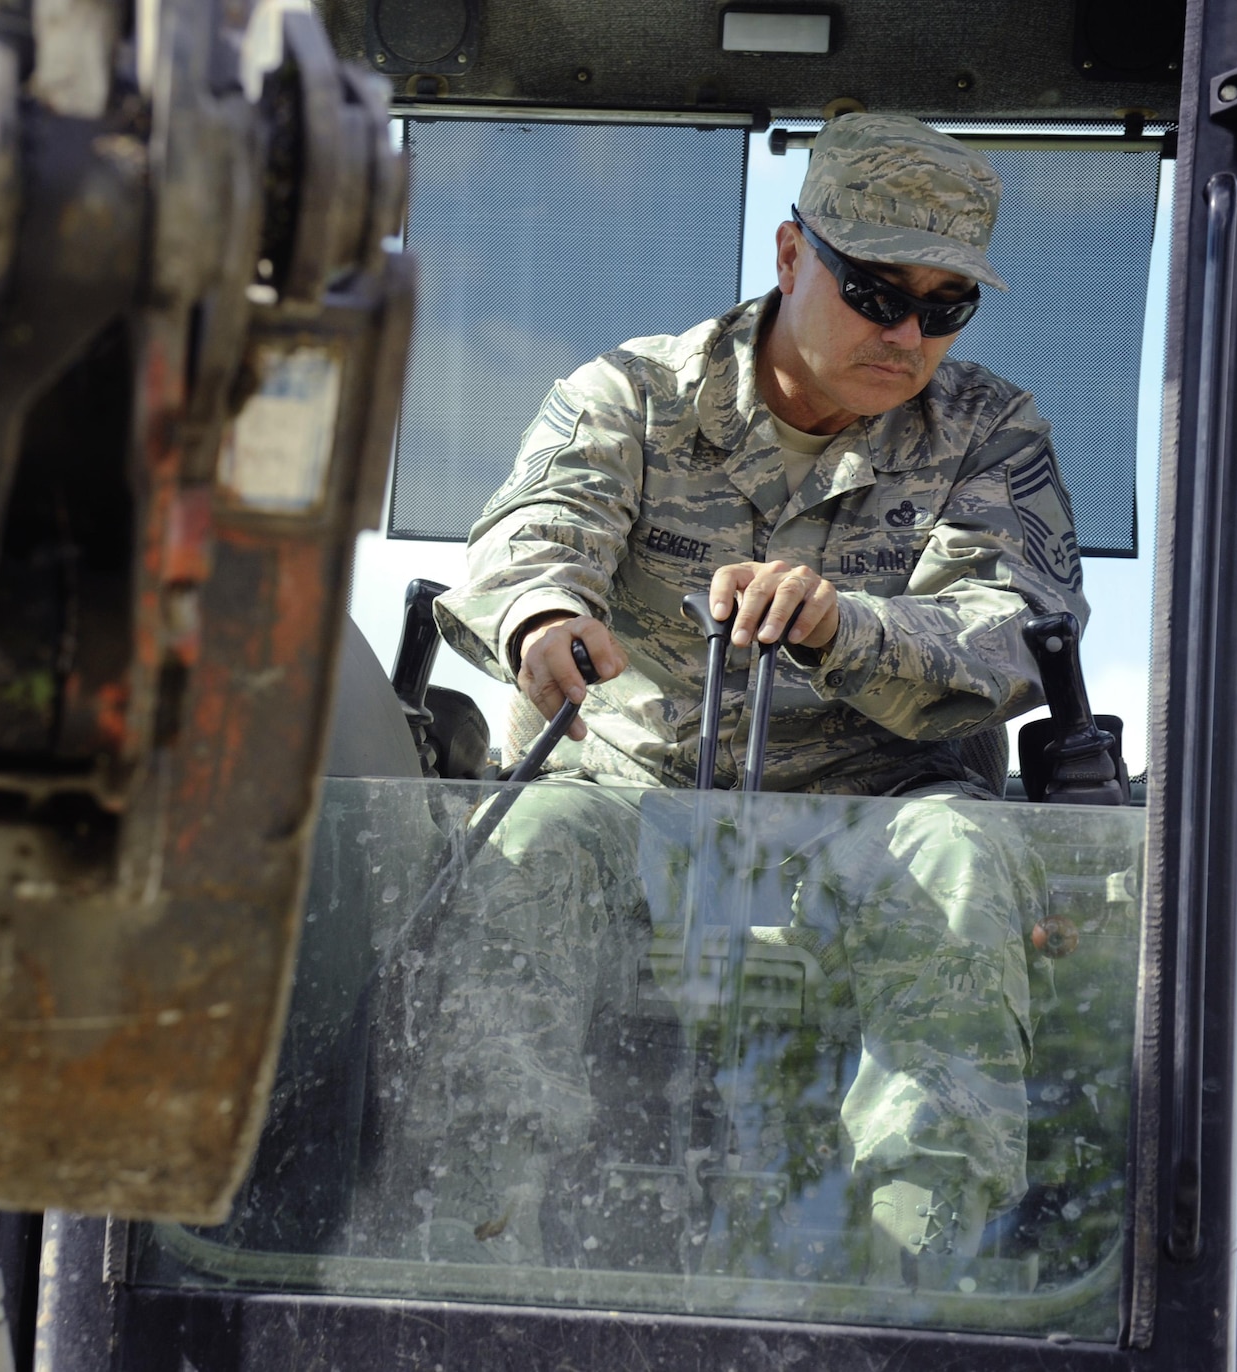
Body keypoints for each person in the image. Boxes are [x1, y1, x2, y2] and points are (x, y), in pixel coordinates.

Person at [401, 113, 1089, 1283]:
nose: (906, 333)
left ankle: (912, 1286)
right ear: (788, 256)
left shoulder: (988, 433)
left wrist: (841, 625)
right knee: (524, 842)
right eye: (874, 291)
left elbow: (1011, 638)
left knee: (960, 857)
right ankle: (472, 1254)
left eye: (944, 305)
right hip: (627, 800)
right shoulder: (631, 394)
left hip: (868, 819)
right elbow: (533, 532)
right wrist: (540, 618)